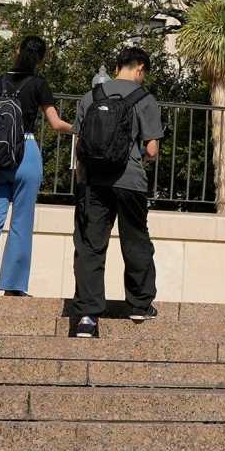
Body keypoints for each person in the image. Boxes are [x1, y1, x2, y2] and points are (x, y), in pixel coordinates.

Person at [0, 35, 74, 297]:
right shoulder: (38, 84)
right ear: (42, 59)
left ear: (17, 50)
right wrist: (79, 129)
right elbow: (56, 124)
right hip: (26, 152)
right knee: (21, 222)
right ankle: (13, 286)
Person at [68, 44, 164, 339]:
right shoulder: (145, 99)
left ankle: (87, 317)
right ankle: (139, 305)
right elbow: (152, 149)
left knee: (90, 245)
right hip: (130, 181)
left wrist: (83, 179)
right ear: (140, 69)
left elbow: (80, 145)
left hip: (94, 182)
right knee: (135, 240)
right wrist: (141, 158)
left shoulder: (90, 96)